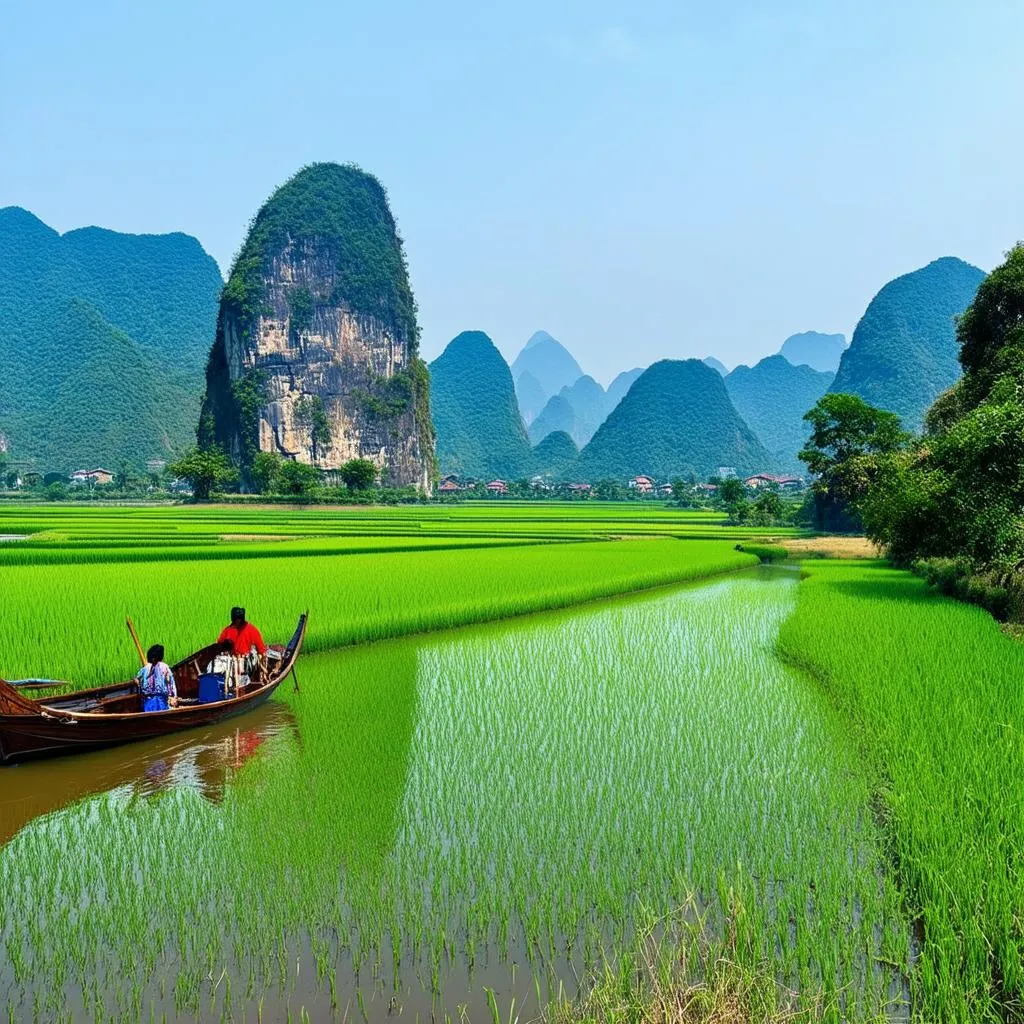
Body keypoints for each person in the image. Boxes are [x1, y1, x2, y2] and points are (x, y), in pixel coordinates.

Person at [218, 607, 267, 690]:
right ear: (233, 619)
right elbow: (219, 646)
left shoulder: (251, 629)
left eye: (240, 619)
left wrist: (263, 667)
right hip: (230, 662)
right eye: (236, 620)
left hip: (245, 663)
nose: (238, 622)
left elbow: (261, 649)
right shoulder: (228, 630)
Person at [136, 644, 177, 712]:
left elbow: (137, 679)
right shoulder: (165, 667)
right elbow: (171, 685)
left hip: (149, 701)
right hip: (160, 702)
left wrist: (140, 685)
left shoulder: (145, 668)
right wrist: (173, 697)